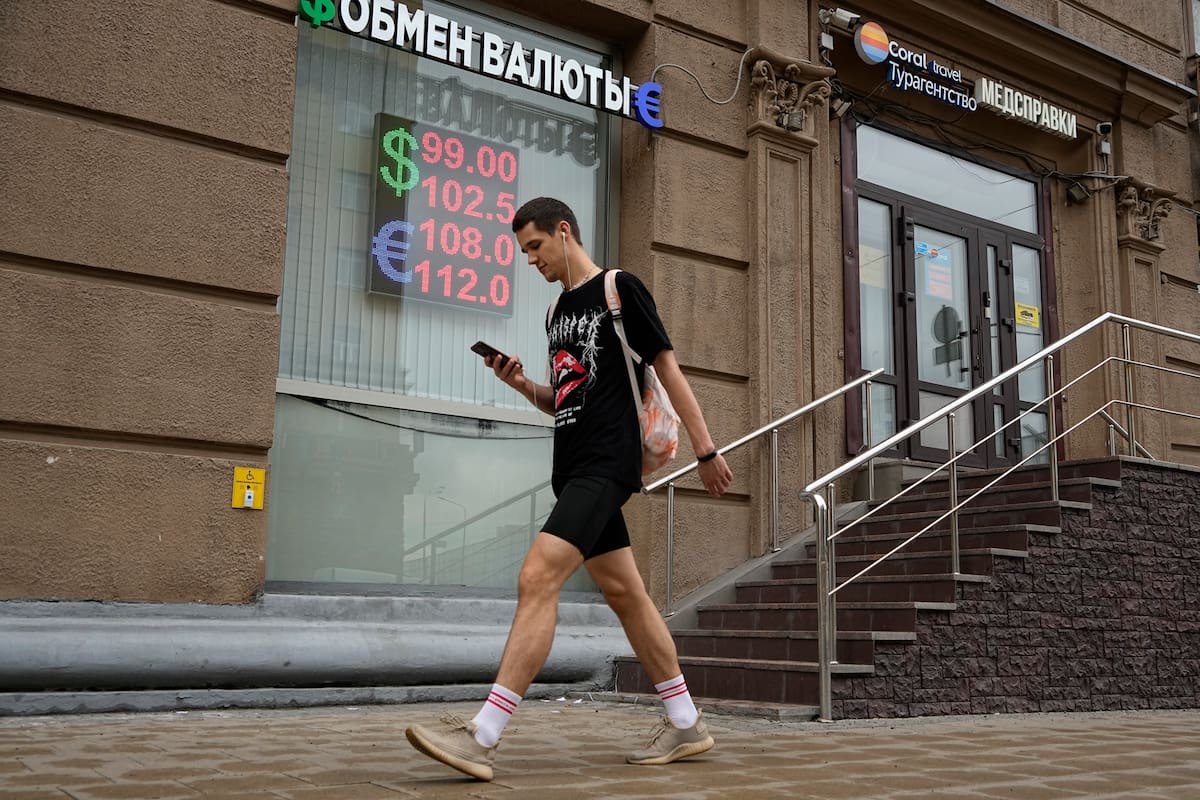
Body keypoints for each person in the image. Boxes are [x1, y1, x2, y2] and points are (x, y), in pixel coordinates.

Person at [405, 197, 734, 781]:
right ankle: (686, 722)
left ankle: (483, 735)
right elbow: (565, 399)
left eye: (535, 246)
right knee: (626, 595)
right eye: (523, 251)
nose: (530, 260)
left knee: (536, 577)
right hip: (574, 468)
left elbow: (668, 369)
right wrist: (522, 383)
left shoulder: (619, 289)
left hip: (608, 465)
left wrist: (706, 451)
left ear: (563, 232)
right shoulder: (558, 313)